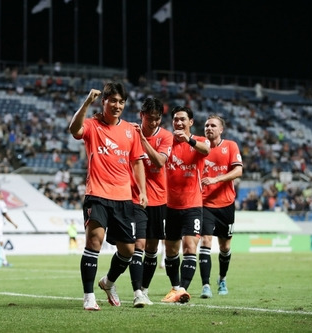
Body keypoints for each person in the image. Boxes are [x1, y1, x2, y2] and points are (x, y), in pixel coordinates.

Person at [69, 82, 147, 311]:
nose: (117, 105)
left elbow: (137, 162)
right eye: (112, 100)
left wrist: (142, 191)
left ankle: (108, 282)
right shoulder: (92, 125)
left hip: (123, 197)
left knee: (128, 251)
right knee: (94, 240)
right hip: (97, 193)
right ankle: (88, 296)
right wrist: (85, 103)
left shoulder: (130, 131)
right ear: (103, 101)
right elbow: (74, 129)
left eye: (121, 102)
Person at [162, 106, 210, 303]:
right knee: (171, 250)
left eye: (182, 119)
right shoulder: (167, 142)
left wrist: (188, 140)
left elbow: (206, 149)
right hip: (170, 206)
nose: (179, 123)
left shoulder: (199, 141)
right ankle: (176, 288)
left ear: (191, 122)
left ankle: (183, 289)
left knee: (189, 246)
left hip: (192, 205)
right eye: (175, 120)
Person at [128, 97, 173, 306]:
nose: (153, 122)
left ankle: (144, 289)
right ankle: (137, 292)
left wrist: (142, 139)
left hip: (159, 199)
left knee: (152, 249)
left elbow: (160, 161)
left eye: (157, 119)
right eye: (149, 118)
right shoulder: (130, 133)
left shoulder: (166, 136)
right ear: (141, 115)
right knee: (139, 244)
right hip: (135, 198)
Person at [199, 114, 243, 298]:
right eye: (207, 125)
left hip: (226, 204)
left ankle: (222, 278)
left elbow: (238, 170)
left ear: (221, 129)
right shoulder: (199, 146)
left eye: (213, 125)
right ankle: (206, 285)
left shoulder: (230, 146)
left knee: (224, 247)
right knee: (206, 242)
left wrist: (216, 179)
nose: (209, 128)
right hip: (205, 204)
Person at [0, 190, 18, 266]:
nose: (3, 195)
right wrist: (13, 223)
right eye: (1, 194)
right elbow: (5, 214)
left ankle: (1, 261)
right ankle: (1, 261)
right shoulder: (1, 203)